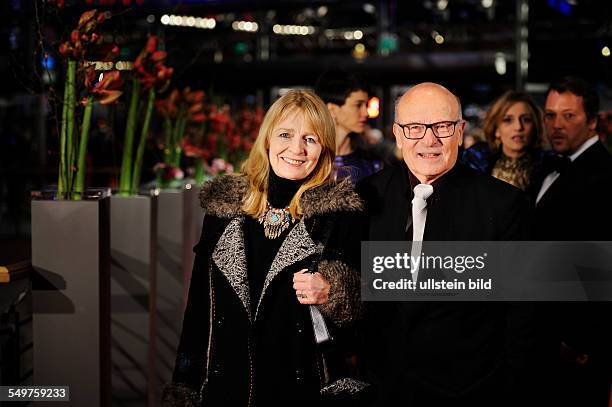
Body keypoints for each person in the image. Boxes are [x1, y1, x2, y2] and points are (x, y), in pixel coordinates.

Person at [162, 89, 364, 406]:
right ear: (267, 139)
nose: (296, 149)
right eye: (286, 134)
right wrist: (184, 386)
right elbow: (199, 310)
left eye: (310, 139)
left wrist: (334, 290)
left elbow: (362, 315)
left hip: (300, 391)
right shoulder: (224, 208)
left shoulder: (337, 216)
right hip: (226, 387)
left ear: (323, 148)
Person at [357, 83, 536, 406]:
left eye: (442, 126)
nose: (429, 139)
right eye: (414, 128)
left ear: (460, 131)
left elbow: (523, 317)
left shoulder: (504, 204)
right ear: (397, 134)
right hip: (384, 390)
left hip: (473, 392)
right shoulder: (367, 196)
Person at [533, 76, 612, 407]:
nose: (556, 125)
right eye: (550, 115)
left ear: (592, 121)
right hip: (544, 336)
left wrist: (578, 342)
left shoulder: (604, 177)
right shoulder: (547, 167)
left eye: (569, 116)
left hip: (574, 346)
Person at [461, 91, 549, 190]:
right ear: (496, 129)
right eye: (508, 120)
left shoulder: (549, 168)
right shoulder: (475, 161)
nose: (518, 127)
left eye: (526, 119)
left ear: (535, 126)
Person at [315, 70, 382, 183]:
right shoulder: (311, 161)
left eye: (366, 105)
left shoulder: (373, 164)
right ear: (332, 109)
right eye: (358, 105)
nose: (366, 112)